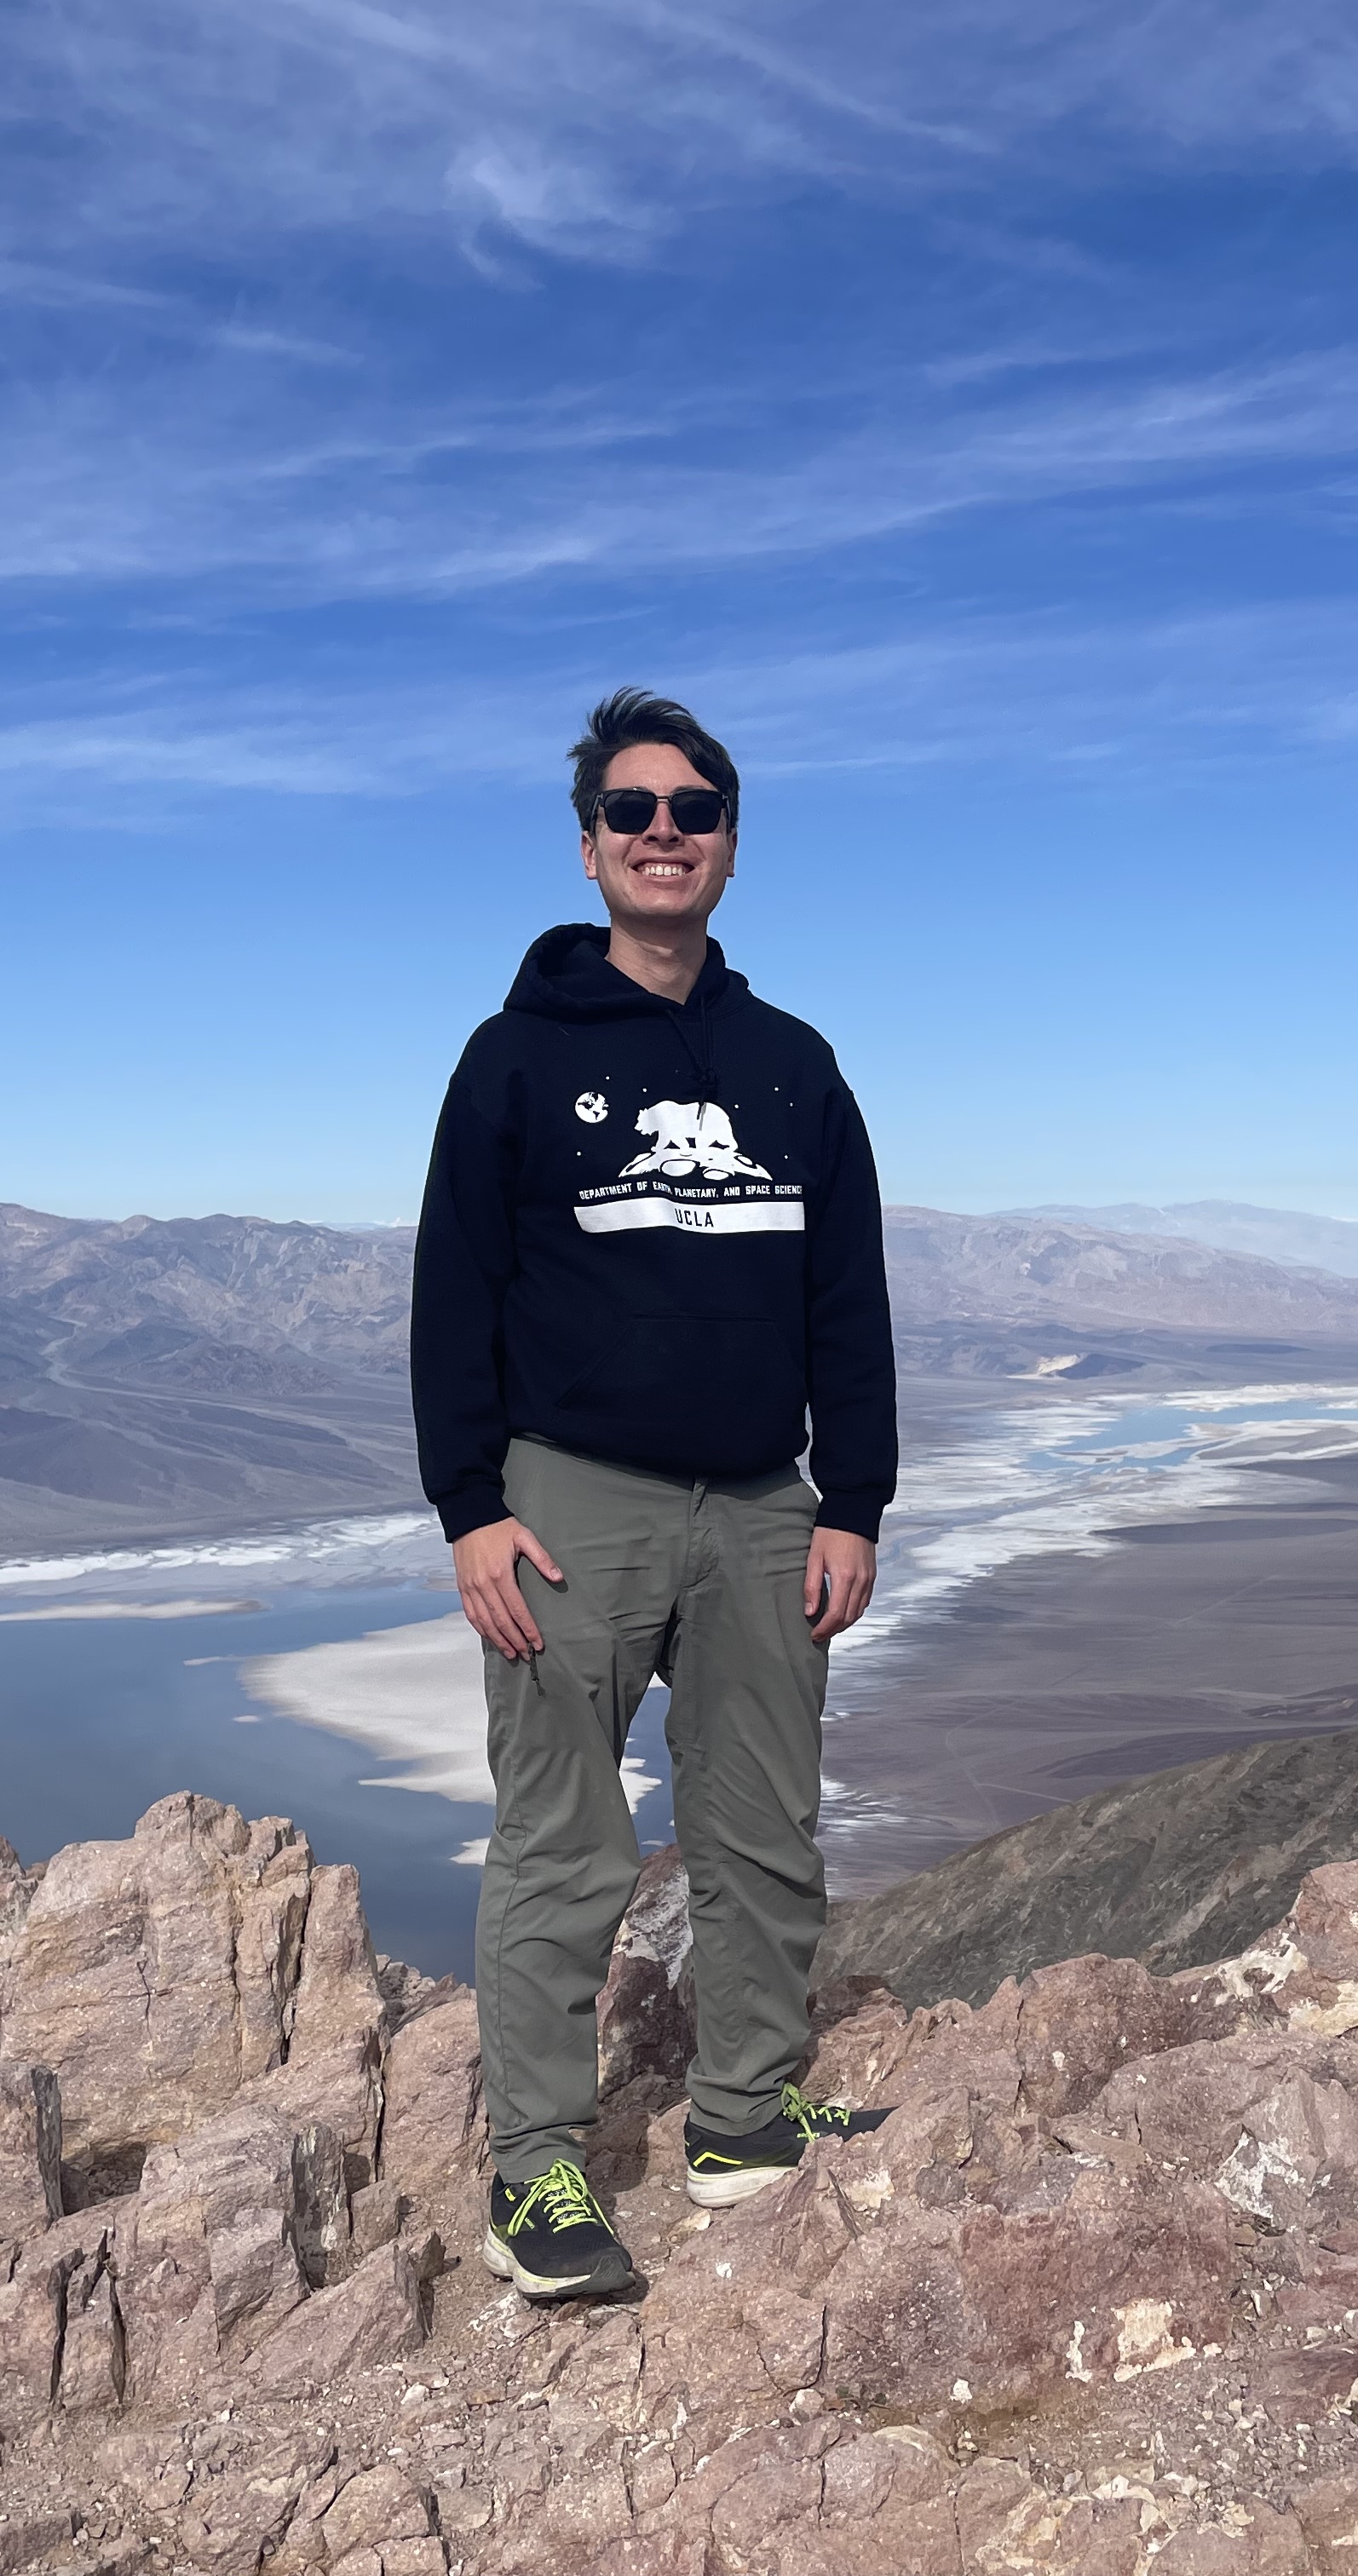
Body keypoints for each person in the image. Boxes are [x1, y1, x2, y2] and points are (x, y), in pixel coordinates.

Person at [411, 687, 899, 2302]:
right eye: (635, 812)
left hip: (766, 1502)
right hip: (576, 1504)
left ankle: (743, 2119)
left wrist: (857, 1498)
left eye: (695, 809)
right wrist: (470, 1507)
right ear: (590, 845)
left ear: (732, 845)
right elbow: (454, 1295)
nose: (665, 833)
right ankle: (536, 2169)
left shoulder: (793, 1065)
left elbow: (848, 1298)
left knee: (766, 1831)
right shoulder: (514, 1060)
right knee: (562, 1843)